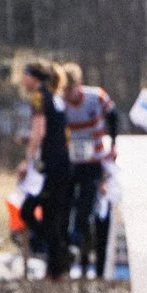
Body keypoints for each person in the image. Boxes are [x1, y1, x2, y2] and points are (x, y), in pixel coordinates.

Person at [58, 64, 118, 277]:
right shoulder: (61, 103)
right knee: (67, 206)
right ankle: (73, 251)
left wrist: (113, 144)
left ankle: (84, 248)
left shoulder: (96, 97)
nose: (67, 94)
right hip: (74, 159)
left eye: (70, 89)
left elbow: (113, 116)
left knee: (86, 207)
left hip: (94, 159)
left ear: (78, 85)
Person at [15, 59, 73, 278]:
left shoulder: (39, 98)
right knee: (51, 215)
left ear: (34, 77)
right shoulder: (55, 98)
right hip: (63, 164)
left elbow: (40, 132)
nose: (22, 80)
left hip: (50, 166)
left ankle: (61, 254)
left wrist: (26, 161)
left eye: (25, 75)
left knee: (28, 211)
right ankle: (57, 267)